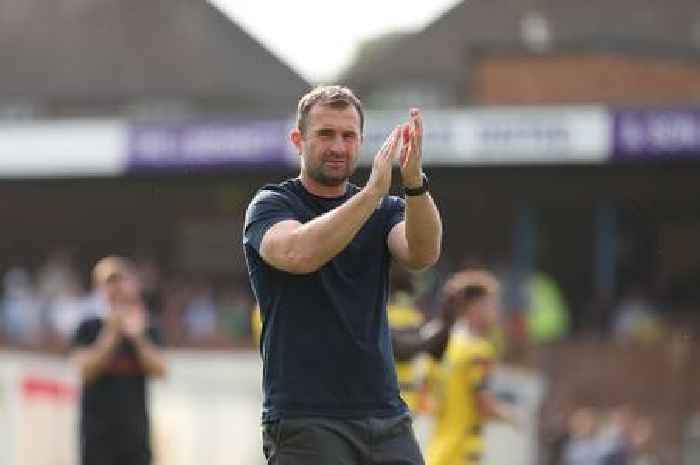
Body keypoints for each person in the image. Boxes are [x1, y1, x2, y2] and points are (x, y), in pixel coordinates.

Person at [243, 85, 442, 465]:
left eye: (349, 136)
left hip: (386, 414)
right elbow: (299, 253)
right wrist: (369, 195)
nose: (338, 146)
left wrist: (415, 182)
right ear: (298, 140)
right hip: (306, 417)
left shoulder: (385, 210)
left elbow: (422, 253)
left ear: (361, 141)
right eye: (325, 134)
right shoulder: (272, 204)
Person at [71, 256, 167, 465]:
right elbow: (84, 370)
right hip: (97, 438)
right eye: (109, 282)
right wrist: (111, 334)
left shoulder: (146, 327)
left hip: (135, 439)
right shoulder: (88, 327)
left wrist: (138, 338)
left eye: (120, 281)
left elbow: (161, 370)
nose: (115, 289)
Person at [427, 270, 518, 465]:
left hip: (439, 450)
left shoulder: (446, 344)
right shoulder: (478, 351)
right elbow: (485, 405)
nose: (497, 311)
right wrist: (514, 417)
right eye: (493, 304)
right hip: (463, 453)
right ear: (476, 307)